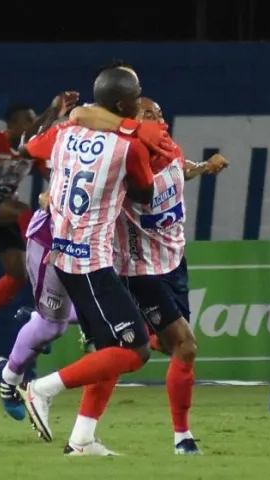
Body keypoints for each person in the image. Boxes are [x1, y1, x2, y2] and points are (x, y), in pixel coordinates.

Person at [20, 67, 170, 456]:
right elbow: (144, 195)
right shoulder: (130, 148)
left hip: (64, 252)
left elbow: (31, 147)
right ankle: (41, 389)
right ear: (123, 104)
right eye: (137, 96)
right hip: (92, 260)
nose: (141, 102)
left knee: (107, 350)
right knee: (136, 351)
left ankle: (82, 439)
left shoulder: (65, 133)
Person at [70, 97, 228, 455]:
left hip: (174, 264)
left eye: (159, 113)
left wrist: (204, 167)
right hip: (140, 271)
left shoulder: (170, 148)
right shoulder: (122, 161)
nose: (158, 120)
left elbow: (179, 168)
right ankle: (182, 438)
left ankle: (82, 434)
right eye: (148, 115)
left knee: (148, 346)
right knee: (185, 345)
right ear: (130, 122)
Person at [0, 94, 78, 348]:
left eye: (35, 121)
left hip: (4, 208)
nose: (33, 126)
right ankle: (45, 262)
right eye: (28, 122)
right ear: (12, 126)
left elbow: (53, 174)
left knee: (17, 274)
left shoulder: (32, 150)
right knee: (24, 211)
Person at [0, 191, 79, 421]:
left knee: (112, 308)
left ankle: (34, 318)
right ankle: (9, 379)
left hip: (96, 240)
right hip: (52, 242)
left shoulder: (134, 159)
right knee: (53, 326)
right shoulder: (77, 155)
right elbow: (47, 194)